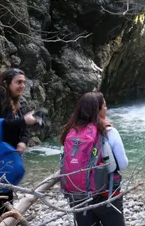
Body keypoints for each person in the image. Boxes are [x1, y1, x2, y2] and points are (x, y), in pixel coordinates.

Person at [60, 92, 128, 226]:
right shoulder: (109, 131)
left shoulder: (70, 131)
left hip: (78, 195)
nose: (106, 109)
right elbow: (123, 164)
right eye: (105, 106)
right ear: (98, 109)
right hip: (106, 194)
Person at [0, 68, 39, 219]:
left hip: (9, 157)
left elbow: (25, 128)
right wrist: (23, 121)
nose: (22, 86)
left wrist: (23, 142)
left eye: (24, 82)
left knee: (6, 197)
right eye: (18, 82)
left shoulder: (21, 101)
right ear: (6, 83)